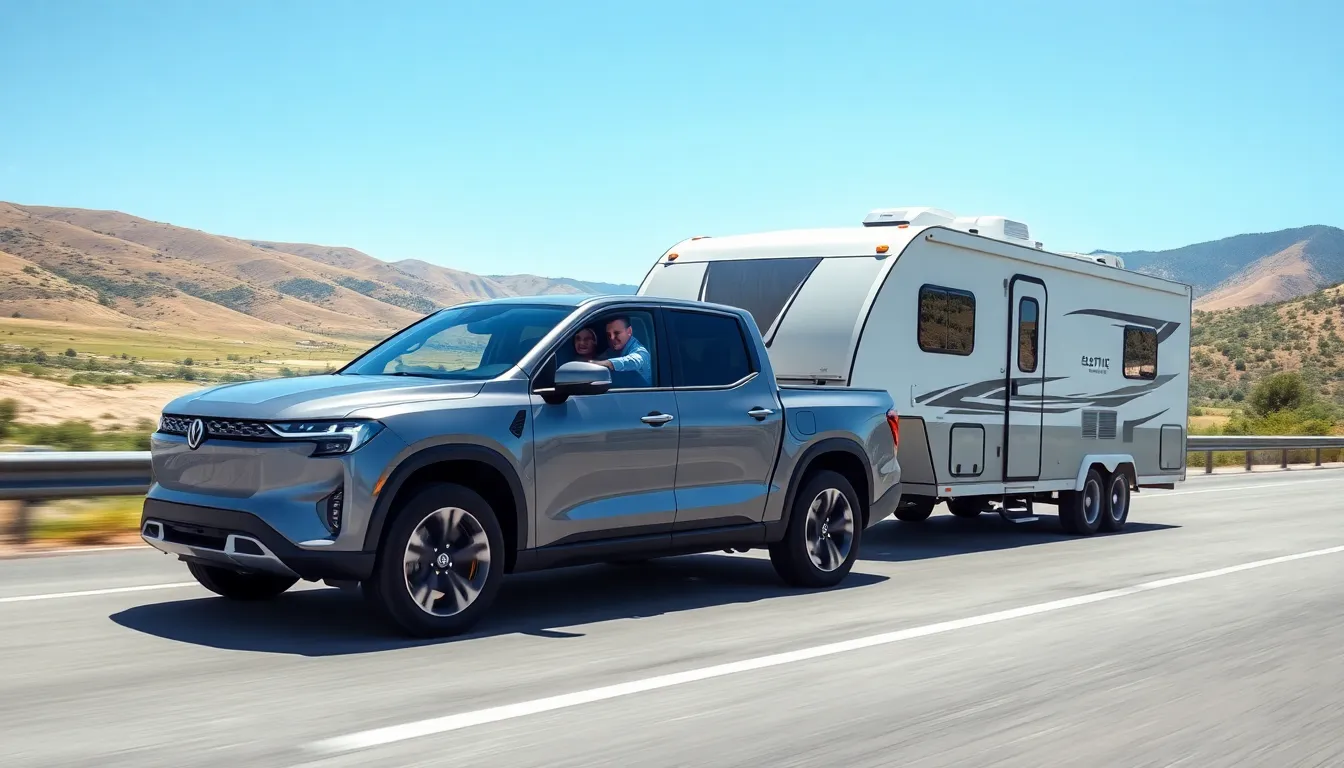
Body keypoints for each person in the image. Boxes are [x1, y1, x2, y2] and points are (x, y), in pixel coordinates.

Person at [594, 315, 652, 387]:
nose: (612, 338)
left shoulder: (640, 352)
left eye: (616, 333)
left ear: (629, 331)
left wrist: (608, 363)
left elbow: (634, 360)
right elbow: (601, 358)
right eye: (609, 334)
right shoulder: (613, 350)